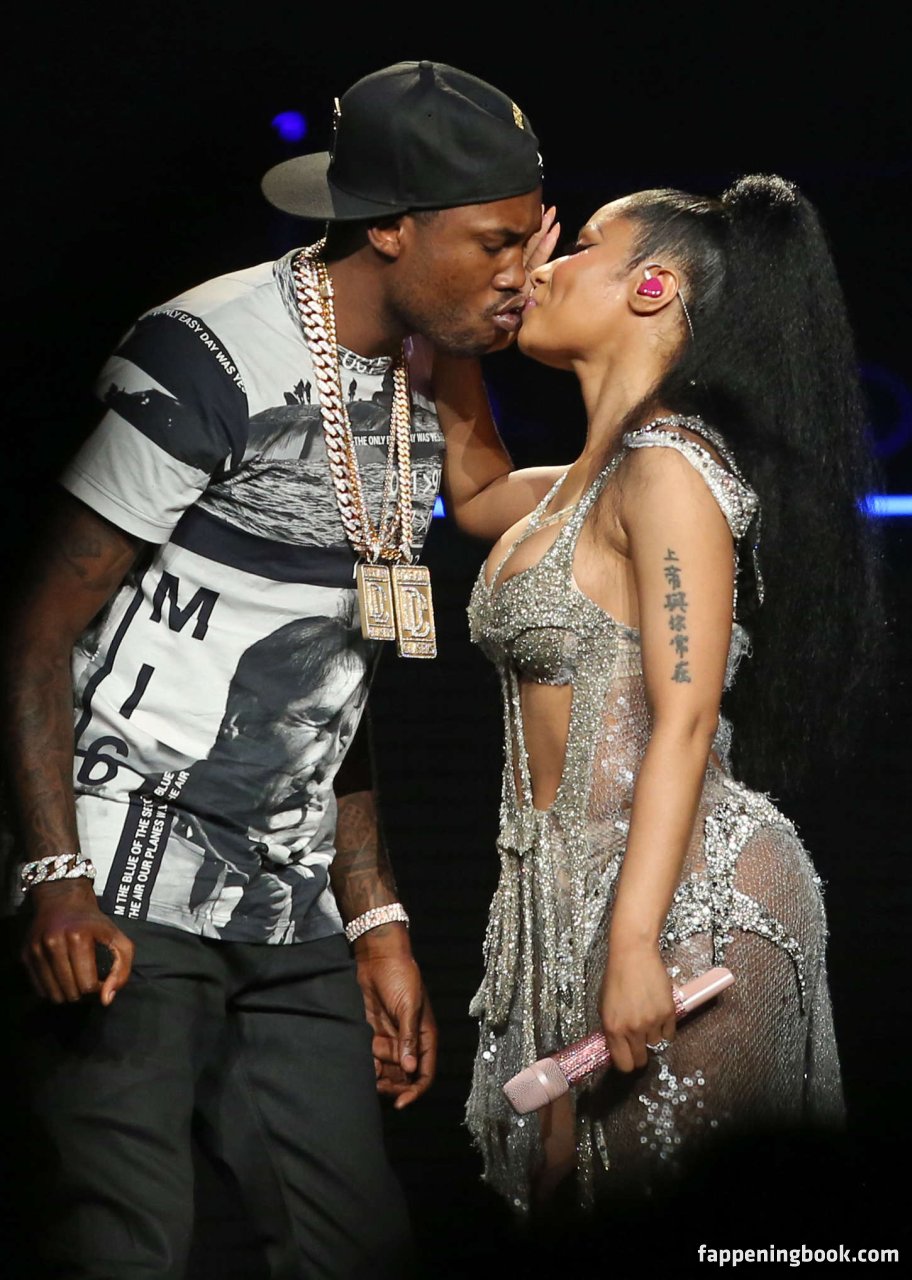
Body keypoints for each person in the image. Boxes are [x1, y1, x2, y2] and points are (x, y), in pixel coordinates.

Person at [0, 60, 558, 1279]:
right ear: (391, 226)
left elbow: (328, 680)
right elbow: (36, 628)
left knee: (351, 1241)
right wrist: (53, 874)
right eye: (497, 242)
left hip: (289, 889)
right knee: (124, 1241)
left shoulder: (431, 360)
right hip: (123, 866)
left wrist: (376, 913)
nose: (524, 271)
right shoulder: (207, 352)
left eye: (534, 237)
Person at [439, 173, 883, 1217]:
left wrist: (634, 944)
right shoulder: (576, 483)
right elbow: (473, 490)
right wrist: (458, 306)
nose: (547, 268)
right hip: (571, 896)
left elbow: (684, 721)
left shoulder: (670, 468)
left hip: (689, 904)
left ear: (652, 287)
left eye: (580, 245)